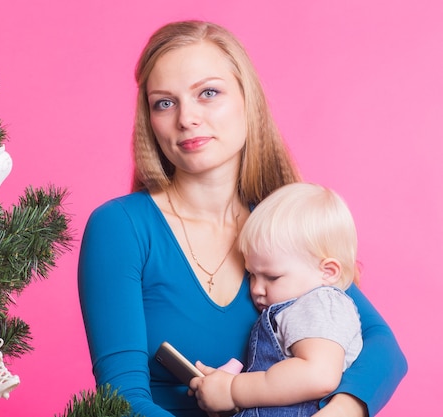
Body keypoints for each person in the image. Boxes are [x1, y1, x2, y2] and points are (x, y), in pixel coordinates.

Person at [78, 20, 407, 417]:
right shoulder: (120, 228)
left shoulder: (280, 230)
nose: (187, 119)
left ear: (247, 100)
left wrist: (344, 409)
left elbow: (383, 346)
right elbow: (122, 399)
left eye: (208, 93)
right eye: (165, 102)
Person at [190, 182, 363, 416]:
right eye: (251, 274)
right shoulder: (297, 304)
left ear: (328, 272)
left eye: (272, 277)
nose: (257, 289)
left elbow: (319, 375)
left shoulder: (321, 304)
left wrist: (234, 389)